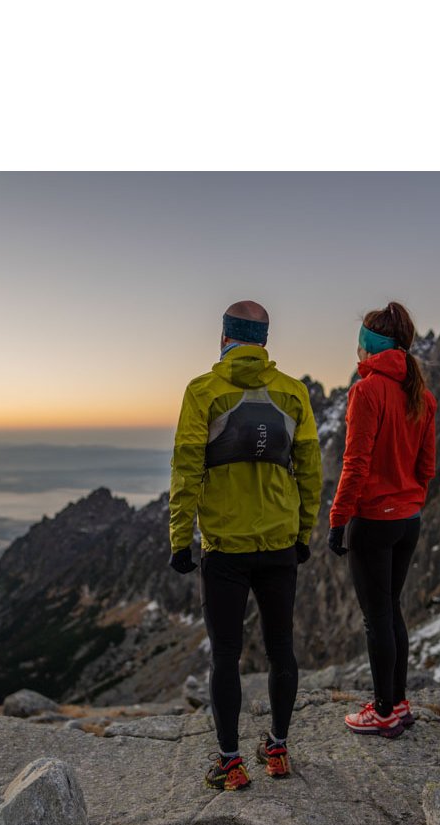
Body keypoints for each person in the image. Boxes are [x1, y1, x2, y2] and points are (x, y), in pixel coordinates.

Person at [169, 300, 322, 790]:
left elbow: (186, 468)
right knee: (281, 649)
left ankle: (231, 764)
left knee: (226, 656)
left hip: (225, 549)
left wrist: (180, 538)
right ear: (265, 341)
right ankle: (277, 751)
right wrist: (304, 533)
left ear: (224, 337)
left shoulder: (203, 392)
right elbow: (311, 470)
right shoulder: (293, 392)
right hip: (279, 543)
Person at [327, 301, 436, 737]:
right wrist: (408, 501)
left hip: (373, 521)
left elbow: (355, 464)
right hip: (409, 520)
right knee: (391, 609)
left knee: (376, 617)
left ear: (369, 346)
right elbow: (427, 467)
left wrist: (338, 520)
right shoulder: (421, 395)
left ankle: (384, 711)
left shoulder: (367, 392)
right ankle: (399, 702)